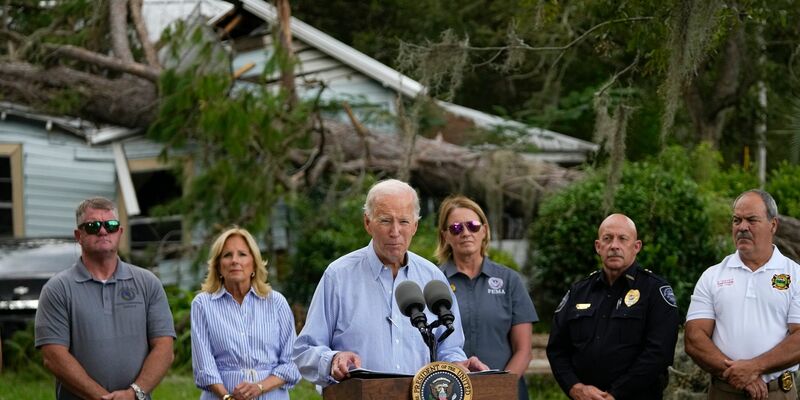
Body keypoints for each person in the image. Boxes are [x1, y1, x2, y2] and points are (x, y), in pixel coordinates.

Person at [292, 179, 488, 387]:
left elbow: (449, 347)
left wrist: (457, 363)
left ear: (415, 226)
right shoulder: (338, 276)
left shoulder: (433, 278)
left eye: (403, 222)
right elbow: (305, 351)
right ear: (368, 223)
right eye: (385, 221)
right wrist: (333, 359)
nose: (395, 232)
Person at [35, 197, 175, 400]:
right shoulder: (57, 289)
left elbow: (164, 348)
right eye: (92, 226)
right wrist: (102, 398)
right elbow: (53, 357)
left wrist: (134, 393)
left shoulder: (147, 283)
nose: (102, 231)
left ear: (119, 232)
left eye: (110, 225)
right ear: (78, 235)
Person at [546, 213, 680, 400]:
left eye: (622, 239)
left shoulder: (655, 291)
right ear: (598, 247)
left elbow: (659, 353)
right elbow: (557, 348)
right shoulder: (579, 291)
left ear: (636, 247)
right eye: (607, 239)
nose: (614, 245)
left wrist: (616, 394)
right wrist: (575, 387)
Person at [685, 189, 800, 400]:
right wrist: (737, 374)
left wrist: (754, 368)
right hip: (725, 391)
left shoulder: (795, 275)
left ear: (773, 225)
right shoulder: (712, 276)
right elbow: (694, 338)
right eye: (737, 220)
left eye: (751, 220)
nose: (742, 227)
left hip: (776, 393)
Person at [435, 195, 538, 400]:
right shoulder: (433, 282)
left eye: (472, 226)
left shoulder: (509, 280)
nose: (465, 233)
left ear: (484, 230)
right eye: (456, 228)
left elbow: (523, 350)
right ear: (445, 236)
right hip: (450, 393)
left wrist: (499, 388)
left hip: (507, 391)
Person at [191, 226, 300, 400]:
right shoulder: (203, 305)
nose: (235, 260)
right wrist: (227, 397)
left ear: (254, 264)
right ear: (218, 267)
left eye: (242, 254)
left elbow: (292, 362)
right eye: (227, 255)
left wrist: (259, 387)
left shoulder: (276, 302)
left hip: (271, 395)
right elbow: (205, 366)